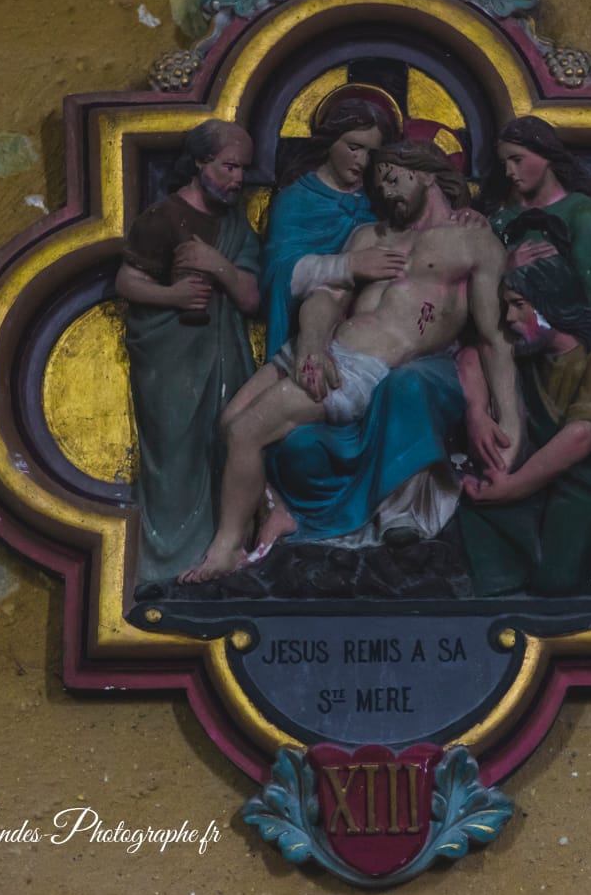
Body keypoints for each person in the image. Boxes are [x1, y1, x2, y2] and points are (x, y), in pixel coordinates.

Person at [179, 139, 522, 583]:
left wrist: (509, 425)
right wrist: (314, 346)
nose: (387, 192)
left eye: (395, 178)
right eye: (380, 184)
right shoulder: (370, 237)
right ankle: (276, 511)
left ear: (427, 174)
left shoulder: (473, 243)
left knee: (247, 433)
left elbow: (494, 339)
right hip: (318, 350)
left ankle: (226, 549)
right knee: (229, 423)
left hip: (361, 368)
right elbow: (326, 297)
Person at [458, 212, 591, 597]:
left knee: (557, 583)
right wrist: (477, 411)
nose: (509, 317)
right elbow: (472, 355)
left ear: (549, 300)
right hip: (546, 477)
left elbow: (580, 438)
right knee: (472, 513)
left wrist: (511, 488)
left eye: (517, 305)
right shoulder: (529, 353)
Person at [116, 120, 261, 583]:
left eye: (243, 170)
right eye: (229, 167)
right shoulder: (162, 218)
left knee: (226, 444)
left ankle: (226, 550)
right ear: (200, 163)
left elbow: (253, 298)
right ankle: (170, 562)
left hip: (226, 359)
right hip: (171, 364)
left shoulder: (236, 226)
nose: (238, 179)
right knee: (177, 457)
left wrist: (216, 265)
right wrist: (173, 298)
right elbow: (128, 281)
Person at [260, 84, 405, 359]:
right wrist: (348, 266)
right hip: (306, 333)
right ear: (330, 142)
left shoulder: (381, 199)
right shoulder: (296, 200)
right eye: (354, 147)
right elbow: (277, 276)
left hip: (372, 333)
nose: (362, 161)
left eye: (371, 153)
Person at [479, 116, 591, 316]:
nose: (509, 172)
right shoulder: (500, 220)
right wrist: (506, 267)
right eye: (504, 163)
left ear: (546, 154)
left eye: (517, 160)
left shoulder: (585, 215)